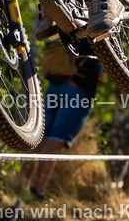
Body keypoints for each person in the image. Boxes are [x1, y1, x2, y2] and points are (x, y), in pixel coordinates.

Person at [23, 38, 103, 199]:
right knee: (55, 141)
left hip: (54, 88)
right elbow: (101, 75)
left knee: (41, 139)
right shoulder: (97, 32)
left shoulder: (66, 25)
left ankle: (21, 185)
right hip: (77, 92)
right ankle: (38, 191)